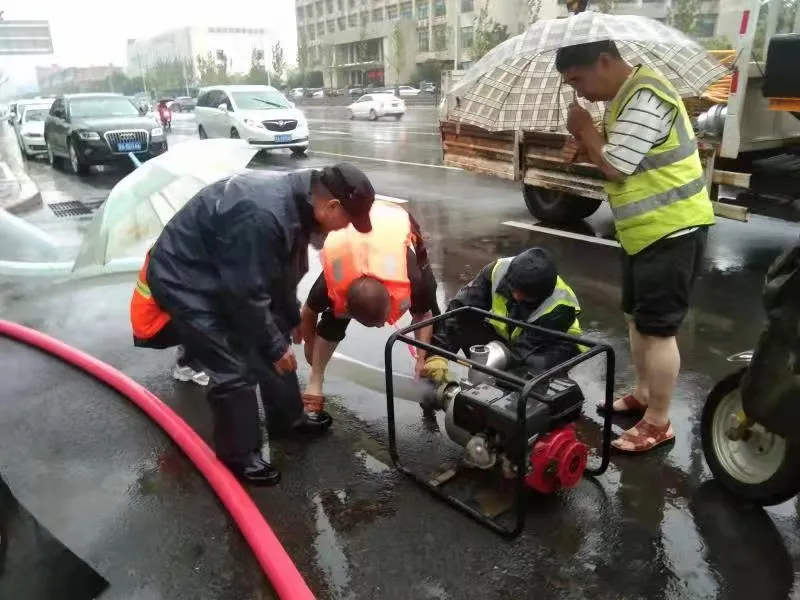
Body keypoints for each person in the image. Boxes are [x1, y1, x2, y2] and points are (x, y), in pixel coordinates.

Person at [129, 164, 376, 486]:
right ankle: (238, 457)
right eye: (348, 220)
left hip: (226, 272)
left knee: (275, 343)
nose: (345, 228)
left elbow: (281, 274)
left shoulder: (300, 206)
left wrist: (289, 317)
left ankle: (288, 420)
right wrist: (273, 345)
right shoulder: (262, 214)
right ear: (331, 206)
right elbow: (245, 293)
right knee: (234, 365)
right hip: (187, 279)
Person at [556, 40, 715, 453]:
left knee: (658, 329)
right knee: (636, 319)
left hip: (672, 228)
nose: (580, 91)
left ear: (604, 62)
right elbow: (617, 160)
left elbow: (617, 167)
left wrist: (586, 132)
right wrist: (585, 146)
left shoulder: (646, 96)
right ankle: (644, 394)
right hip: (643, 231)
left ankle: (659, 422)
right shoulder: (622, 100)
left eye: (578, 79)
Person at [299, 200, 440, 419]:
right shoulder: (333, 280)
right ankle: (315, 380)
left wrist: (421, 357)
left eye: (381, 320)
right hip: (353, 242)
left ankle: (431, 371)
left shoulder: (413, 278)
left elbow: (424, 315)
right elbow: (308, 312)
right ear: (347, 305)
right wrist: (309, 345)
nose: (382, 325)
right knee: (333, 320)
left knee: (428, 303)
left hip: (394, 226)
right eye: (375, 324)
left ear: (390, 297)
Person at [420, 247, 584, 382]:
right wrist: (438, 353)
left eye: (525, 294)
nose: (517, 296)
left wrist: (488, 373)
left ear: (542, 293)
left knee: (527, 371)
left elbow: (521, 352)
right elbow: (460, 311)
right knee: (464, 320)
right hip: (510, 339)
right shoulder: (497, 271)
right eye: (515, 288)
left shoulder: (560, 306)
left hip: (552, 347)